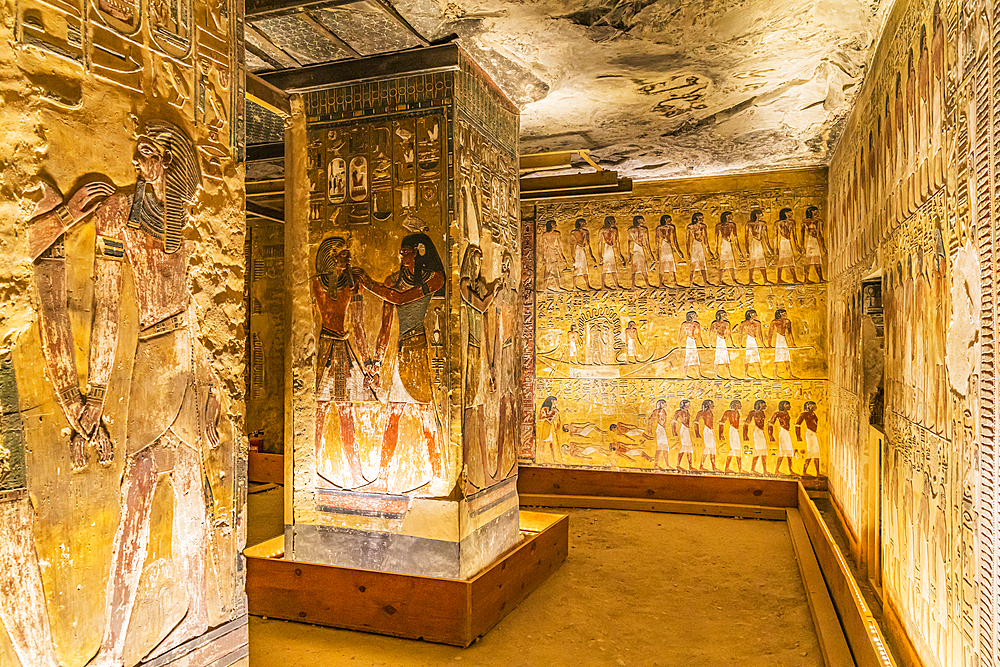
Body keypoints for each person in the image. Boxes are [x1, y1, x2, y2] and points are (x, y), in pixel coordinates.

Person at [29, 123, 235, 665]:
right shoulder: (120, 213)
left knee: (191, 495)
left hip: (186, 361)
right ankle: (116, 648)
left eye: (156, 157)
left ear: (177, 168)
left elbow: (203, 308)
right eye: (140, 154)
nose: (145, 166)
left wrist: (212, 385)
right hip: (151, 363)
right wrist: (90, 400)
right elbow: (101, 303)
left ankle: (200, 611)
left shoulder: (183, 225)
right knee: (137, 497)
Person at [360, 233, 447, 492]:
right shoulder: (392, 282)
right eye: (401, 251)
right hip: (402, 350)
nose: (402, 256)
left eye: (407, 250)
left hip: (421, 348)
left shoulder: (434, 278)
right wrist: (376, 360)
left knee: (424, 414)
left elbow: (400, 299)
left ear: (420, 251)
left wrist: (370, 285)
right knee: (393, 414)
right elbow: (386, 325)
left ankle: (438, 473)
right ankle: (383, 477)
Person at [312, 236, 373, 489]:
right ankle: (313, 468)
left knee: (346, 410)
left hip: (342, 350)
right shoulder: (317, 283)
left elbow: (357, 324)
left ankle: (355, 473)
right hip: (326, 348)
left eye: (348, 254)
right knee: (321, 410)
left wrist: (368, 360)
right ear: (330, 256)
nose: (346, 258)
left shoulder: (354, 286)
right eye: (340, 253)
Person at [458, 245, 500, 490]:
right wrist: (493, 293)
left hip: (479, 343)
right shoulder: (464, 286)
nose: (477, 267)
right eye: (474, 262)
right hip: (468, 343)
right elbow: (481, 306)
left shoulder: (479, 286)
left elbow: (485, 317)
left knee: (477, 400)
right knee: (470, 397)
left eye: (479, 263)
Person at [715, 211, 744, 285]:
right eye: (729, 217)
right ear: (725, 217)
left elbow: (735, 238)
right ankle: (720, 281)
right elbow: (716, 239)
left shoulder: (732, 225)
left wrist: (739, 251)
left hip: (729, 245)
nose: (731, 218)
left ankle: (733, 280)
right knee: (722, 264)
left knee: (731, 263)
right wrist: (716, 251)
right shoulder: (719, 226)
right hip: (723, 245)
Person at [745, 209, 773, 285]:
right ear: (757, 215)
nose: (762, 216)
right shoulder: (749, 224)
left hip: (759, 244)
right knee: (752, 262)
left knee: (762, 262)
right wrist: (747, 251)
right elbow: (746, 239)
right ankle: (751, 280)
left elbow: (766, 238)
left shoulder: (763, 224)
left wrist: (769, 249)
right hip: (753, 244)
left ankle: (765, 280)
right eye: (761, 214)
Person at [655, 214, 684, 287]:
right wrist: (657, 254)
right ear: (665, 220)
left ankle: (674, 283)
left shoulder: (672, 227)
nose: (671, 220)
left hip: (668, 246)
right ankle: (660, 283)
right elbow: (657, 242)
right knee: (662, 265)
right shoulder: (659, 228)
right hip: (663, 246)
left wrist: (678, 251)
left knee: (671, 264)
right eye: (669, 219)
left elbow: (675, 241)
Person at [686, 212, 714, 286]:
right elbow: (687, 241)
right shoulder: (690, 227)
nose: (702, 219)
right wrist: (688, 252)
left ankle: (705, 282)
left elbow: (705, 239)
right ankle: (691, 282)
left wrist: (708, 251)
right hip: (694, 245)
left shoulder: (703, 226)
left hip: (700, 245)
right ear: (696, 219)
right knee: (693, 264)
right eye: (700, 218)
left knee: (702, 264)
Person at [768, 308, 797, 379]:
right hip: (778, 340)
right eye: (784, 314)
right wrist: (769, 344)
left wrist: (793, 343)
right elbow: (770, 333)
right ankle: (775, 375)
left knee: (786, 358)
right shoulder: (774, 322)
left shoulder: (787, 321)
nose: (786, 315)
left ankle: (790, 374)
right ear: (780, 315)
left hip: (783, 340)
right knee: (777, 358)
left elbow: (790, 333)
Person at [627, 215, 655, 288]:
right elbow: (629, 243)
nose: (643, 222)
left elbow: (647, 243)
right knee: (635, 267)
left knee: (643, 267)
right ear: (637, 221)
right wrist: (629, 255)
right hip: (635, 249)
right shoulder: (631, 230)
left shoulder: (644, 230)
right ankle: (634, 285)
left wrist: (650, 254)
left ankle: (646, 284)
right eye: (641, 221)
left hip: (640, 248)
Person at [570, 218, 598, 290]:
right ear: (580, 224)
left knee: (584, 268)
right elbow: (572, 245)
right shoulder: (573, 232)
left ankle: (587, 286)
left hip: (582, 250)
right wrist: (572, 256)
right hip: (577, 251)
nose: (585, 224)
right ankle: (574, 287)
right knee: (577, 268)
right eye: (584, 223)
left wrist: (591, 255)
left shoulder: (586, 232)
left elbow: (588, 244)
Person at [737, 309, 766, 379]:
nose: (756, 315)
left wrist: (762, 344)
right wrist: (740, 344)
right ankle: (746, 374)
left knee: (755, 358)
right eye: (754, 314)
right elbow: (740, 334)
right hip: (748, 341)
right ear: (750, 315)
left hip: (753, 341)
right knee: (748, 358)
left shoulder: (758, 323)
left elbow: (759, 335)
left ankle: (759, 375)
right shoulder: (743, 323)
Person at [769, 400, 795, 475]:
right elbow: (771, 424)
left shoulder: (786, 413)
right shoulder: (778, 413)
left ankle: (790, 470)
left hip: (787, 433)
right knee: (783, 452)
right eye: (788, 405)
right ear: (783, 405)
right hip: (783, 432)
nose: (789, 406)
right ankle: (777, 470)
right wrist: (771, 435)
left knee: (789, 452)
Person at [539, 220, 567, 290]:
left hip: (552, 253)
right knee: (548, 270)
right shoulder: (545, 235)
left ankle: (557, 287)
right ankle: (545, 288)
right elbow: (543, 247)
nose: (556, 226)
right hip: (549, 253)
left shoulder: (556, 234)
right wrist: (543, 258)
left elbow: (559, 246)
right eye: (555, 224)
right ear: (551, 225)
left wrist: (562, 257)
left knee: (554, 270)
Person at [801, 206, 826, 283]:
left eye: (817, 212)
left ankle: (820, 278)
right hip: (809, 242)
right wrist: (802, 246)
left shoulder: (819, 221)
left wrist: (823, 245)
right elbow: (802, 235)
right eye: (815, 212)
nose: (817, 213)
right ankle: (806, 278)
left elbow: (820, 234)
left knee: (817, 260)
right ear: (811, 212)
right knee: (807, 261)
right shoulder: (805, 222)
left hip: (815, 242)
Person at [795, 401, 821, 476]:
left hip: (813, 434)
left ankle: (817, 472)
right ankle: (804, 471)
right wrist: (798, 436)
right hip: (810, 433)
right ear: (808, 406)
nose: (815, 406)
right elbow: (797, 424)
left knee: (816, 453)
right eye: (813, 405)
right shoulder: (804, 414)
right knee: (811, 452)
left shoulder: (813, 414)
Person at [774, 208, 800, 284]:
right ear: (785, 213)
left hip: (788, 243)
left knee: (791, 261)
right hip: (782, 243)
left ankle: (794, 279)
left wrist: (797, 246)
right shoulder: (778, 223)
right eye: (790, 213)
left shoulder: (792, 222)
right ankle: (779, 279)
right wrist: (775, 248)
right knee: (781, 262)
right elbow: (775, 237)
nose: (791, 215)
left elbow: (794, 235)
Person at [709, 309, 736, 378]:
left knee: (725, 358)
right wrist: (710, 344)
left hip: (723, 341)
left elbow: (729, 335)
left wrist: (731, 344)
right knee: (717, 358)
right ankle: (715, 375)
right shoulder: (714, 324)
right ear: (720, 316)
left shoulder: (727, 323)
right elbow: (711, 334)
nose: (726, 316)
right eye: (724, 315)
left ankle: (729, 375)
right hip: (718, 341)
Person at [679, 311, 706, 378]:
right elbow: (681, 335)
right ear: (691, 317)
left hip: (693, 341)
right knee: (688, 358)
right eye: (695, 316)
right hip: (689, 341)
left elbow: (698, 336)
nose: (696, 317)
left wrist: (702, 345)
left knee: (695, 358)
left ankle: (699, 375)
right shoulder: (684, 324)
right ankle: (685, 376)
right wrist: (680, 345)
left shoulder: (696, 324)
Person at [745, 400, 770, 474]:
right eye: (764, 405)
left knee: (763, 451)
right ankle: (752, 469)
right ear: (759, 404)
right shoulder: (752, 413)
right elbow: (746, 423)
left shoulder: (762, 413)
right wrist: (745, 435)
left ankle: (764, 470)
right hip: (757, 431)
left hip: (761, 431)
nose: (765, 406)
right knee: (759, 450)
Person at [600, 216, 625, 289]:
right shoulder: (602, 230)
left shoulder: (615, 230)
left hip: (610, 248)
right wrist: (600, 255)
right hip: (605, 249)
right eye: (613, 221)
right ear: (609, 222)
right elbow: (600, 243)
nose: (615, 223)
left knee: (613, 267)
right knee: (604, 268)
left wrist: (620, 255)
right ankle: (602, 285)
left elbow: (617, 242)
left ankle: (616, 285)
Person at [648, 399, 673, 470]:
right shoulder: (656, 411)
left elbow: (664, 422)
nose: (665, 405)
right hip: (659, 429)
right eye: (664, 404)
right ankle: (656, 464)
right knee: (660, 447)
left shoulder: (664, 412)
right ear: (660, 404)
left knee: (665, 447)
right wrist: (649, 429)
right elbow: (650, 420)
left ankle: (667, 465)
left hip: (663, 429)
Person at [694, 400, 718, 471]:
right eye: (712, 405)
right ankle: (701, 466)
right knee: (708, 448)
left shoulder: (710, 412)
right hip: (707, 430)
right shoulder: (702, 412)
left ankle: (713, 467)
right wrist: (697, 432)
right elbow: (696, 422)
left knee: (713, 449)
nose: (713, 406)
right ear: (707, 405)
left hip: (710, 431)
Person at [720, 400, 744, 473]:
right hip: (732, 430)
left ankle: (739, 469)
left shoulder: (737, 413)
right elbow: (722, 422)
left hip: (735, 431)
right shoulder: (728, 412)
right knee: (734, 449)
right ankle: (727, 468)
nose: (740, 406)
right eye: (738, 404)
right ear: (735, 405)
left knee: (737, 450)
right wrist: (720, 434)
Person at [537, 397, 563, 464]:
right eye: (555, 401)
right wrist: (546, 418)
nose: (556, 403)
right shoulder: (545, 409)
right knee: (543, 443)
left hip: (552, 427)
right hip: (546, 427)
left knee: (551, 444)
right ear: (552, 401)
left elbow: (558, 420)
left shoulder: (556, 410)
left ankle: (554, 460)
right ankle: (541, 459)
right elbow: (539, 418)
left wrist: (557, 427)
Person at [672, 400, 694, 470]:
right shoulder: (679, 412)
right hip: (683, 429)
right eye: (687, 405)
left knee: (689, 447)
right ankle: (678, 465)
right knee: (684, 447)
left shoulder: (687, 412)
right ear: (683, 405)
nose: (689, 406)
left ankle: (690, 465)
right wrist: (674, 431)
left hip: (686, 429)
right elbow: (674, 421)